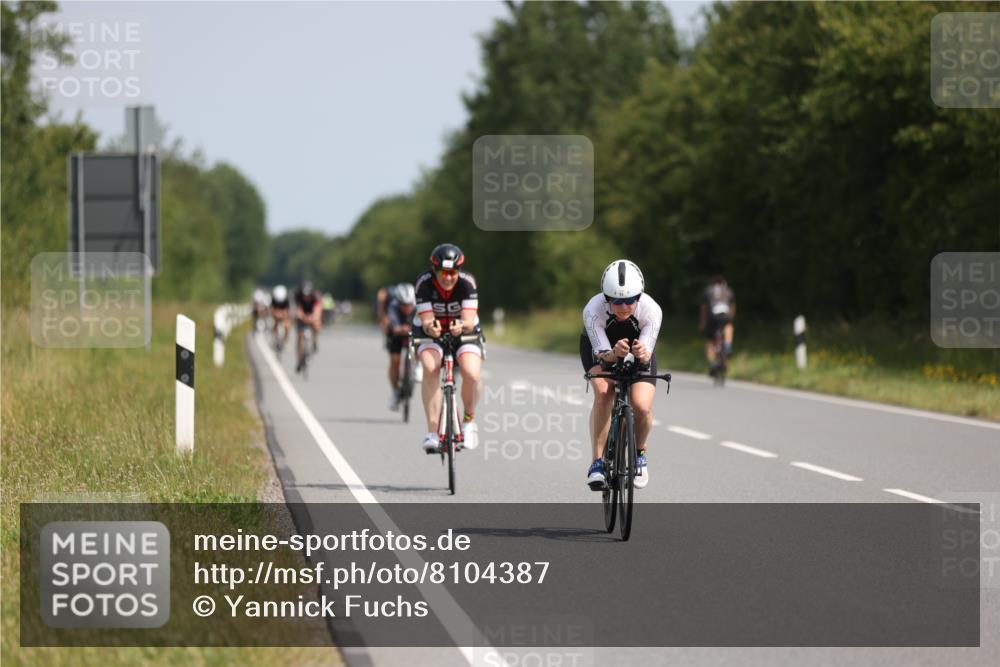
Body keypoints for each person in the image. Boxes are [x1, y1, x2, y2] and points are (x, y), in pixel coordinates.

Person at [581, 259, 662, 490]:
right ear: (607, 298)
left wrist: (641, 353)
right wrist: (612, 354)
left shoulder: (652, 310)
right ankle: (597, 462)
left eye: (630, 300)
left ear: (639, 297)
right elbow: (603, 355)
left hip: (638, 352)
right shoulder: (593, 309)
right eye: (617, 301)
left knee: (642, 405)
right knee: (604, 393)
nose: (624, 306)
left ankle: (640, 454)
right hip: (600, 349)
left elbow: (646, 356)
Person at [414, 243, 484, 453]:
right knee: (430, 367)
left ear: (458, 271)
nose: (448, 277)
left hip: (462, 330)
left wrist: (461, 325)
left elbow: (469, 320)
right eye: (443, 272)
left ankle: (469, 421)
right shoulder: (423, 283)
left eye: (452, 272)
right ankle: (433, 432)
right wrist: (430, 326)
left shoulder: (467, 283)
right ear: (435, 271)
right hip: (430, 332)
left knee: (471, 373)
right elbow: (426, 320)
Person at [385, 283, 417, 410]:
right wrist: (397, 328)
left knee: (422, 345)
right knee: (395, 361)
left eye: (409, 304)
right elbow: (393, 323)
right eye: (403, 305)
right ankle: (394, 391)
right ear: (398, 302)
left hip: (413, 334)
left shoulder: (418, 307)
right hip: (396, 335)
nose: (407, 308)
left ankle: (417, 367)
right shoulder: (393, 307)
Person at [697, 274, 735, 376]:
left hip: (712, 317)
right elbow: (732, 307)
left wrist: (703, 322)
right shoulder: (728, 291)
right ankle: (727, 345)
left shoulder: (708, 291)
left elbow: (704, 309)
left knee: (709, 341)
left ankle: (712, 362)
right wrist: (731, 318)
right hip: (725, 315)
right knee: (729, 325)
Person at [293, 280, 322, 373]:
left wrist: (313, 318)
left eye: (308, 295)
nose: (306, 297)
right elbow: (298, 310)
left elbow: (317, 310)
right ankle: (299, 359)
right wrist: (303, 317)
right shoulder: (298, 295)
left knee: (317, 325)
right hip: (302, 315)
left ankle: (315, 341)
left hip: (312, 313)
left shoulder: (315, 296)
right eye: (304, 295)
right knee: (299, 335)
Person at [270, 284, 291, 352]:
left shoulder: (287, 300)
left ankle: (285, 341)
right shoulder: (273, 299)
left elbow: (288, 311)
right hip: (276, 315)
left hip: (284, 315)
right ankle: (274, 337)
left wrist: (282, 314)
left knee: (287, 326)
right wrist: (275, 314)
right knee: (274, 324)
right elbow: (271, 309)